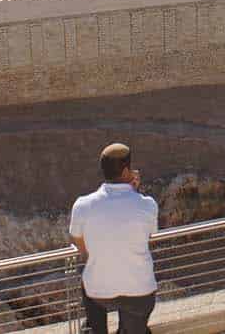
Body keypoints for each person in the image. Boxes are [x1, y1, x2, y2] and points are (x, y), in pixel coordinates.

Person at [70, 143, 159, 334]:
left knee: (87, 273)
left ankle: (96, 329)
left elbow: (79, 243)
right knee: (135, 325)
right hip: (140, 292)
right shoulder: (147, 205)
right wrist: (134, 191)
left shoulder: (82, 206)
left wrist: (93, 256)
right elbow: (148, 235)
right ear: (127, 170)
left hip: (98, 292)